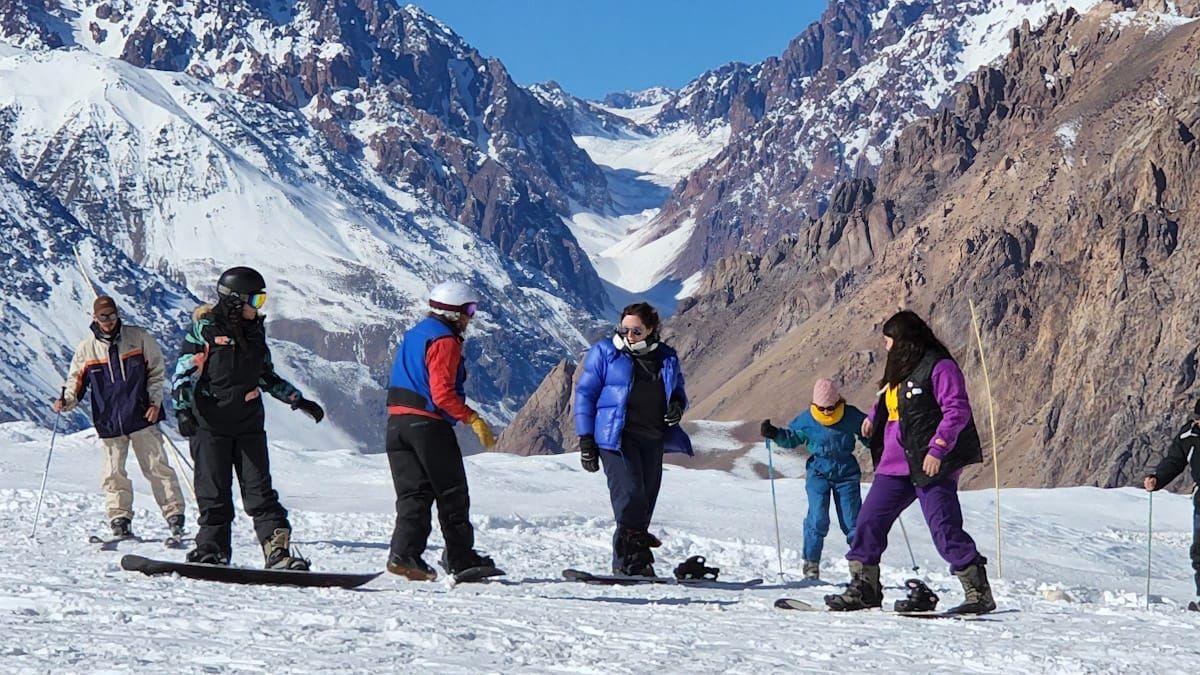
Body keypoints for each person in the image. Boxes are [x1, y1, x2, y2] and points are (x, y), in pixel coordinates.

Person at [825, 310, 994, 614]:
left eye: (890, 340)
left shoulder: (940, 367)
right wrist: (874, 419)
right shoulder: (902, 367)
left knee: (944, 527)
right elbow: (890, 398)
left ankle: (978, 591)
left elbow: (956, 410)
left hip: (930, 461)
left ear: (906, 340)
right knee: (869, 521)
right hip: (895, 463)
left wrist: (938, 449)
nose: (887, 346)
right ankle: (865, 588)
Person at [170, 267, 325, 569]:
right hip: (210, 424)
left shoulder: (254, 333)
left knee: (259, 492)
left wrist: (297, 399)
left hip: (247, 424)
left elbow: (264, 375)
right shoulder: (205, 330)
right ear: (235, 300)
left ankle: (277, 552)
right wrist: (183, 410)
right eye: (256, 300)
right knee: (213, 493)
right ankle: (212, 549)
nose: (260, 307)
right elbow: (182, 374)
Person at [383, 280, 500, 581]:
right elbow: (443, 394)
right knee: (452, 493)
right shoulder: (445, 340)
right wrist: (472, 418)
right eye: (469, 310)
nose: (471, 317)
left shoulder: (414, 335)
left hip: (397, 424)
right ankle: (461, 558)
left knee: (414, 494)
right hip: (428, 427)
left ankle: (404, 555)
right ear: (455, 311)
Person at [574, 302, 692, 576]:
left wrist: (677, 405)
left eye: (636, 330)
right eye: (624, 329)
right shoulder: (605, 353)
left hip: (652, 438)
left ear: (651, 329)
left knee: (646, 498)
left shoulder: (666, 357)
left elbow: (678, 391)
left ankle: (637, 562)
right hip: (615, 437)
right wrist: (586, 440)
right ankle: (627, 562)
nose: (629, 336)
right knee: (630, 497)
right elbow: (585, 395)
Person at [54, 295, 186, 539]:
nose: (108, 321)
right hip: (109, 420)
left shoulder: (138, 337)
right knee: (113, 473)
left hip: (141, 415)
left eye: (112, 315)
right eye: (103, 317)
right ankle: (120, 518)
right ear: (95, 318)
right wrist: (67, 401)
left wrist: (155, 402)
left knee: (157, 467)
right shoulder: (87, 349)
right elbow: (76, 381)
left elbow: (156, 372)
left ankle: (174, 516)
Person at [760, 378, 868, 580]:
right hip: (818, 472)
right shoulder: (807, 420)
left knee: (852, 521)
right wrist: (774, 434)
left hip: (847, 474)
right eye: (822, 408)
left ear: (838, 403)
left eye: (831, 408)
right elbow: (791, 438)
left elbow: (867, 432)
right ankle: (811, 564)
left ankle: (859, 567)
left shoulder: (851, 415)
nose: (827, 412)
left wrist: (878, 441)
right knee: (818, 518)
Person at [1143, 400, 1200, 606]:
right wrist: (1157, 479)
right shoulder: (1188, 435)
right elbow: (1175, 460)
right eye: (1197, 419)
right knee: (1199, 551)